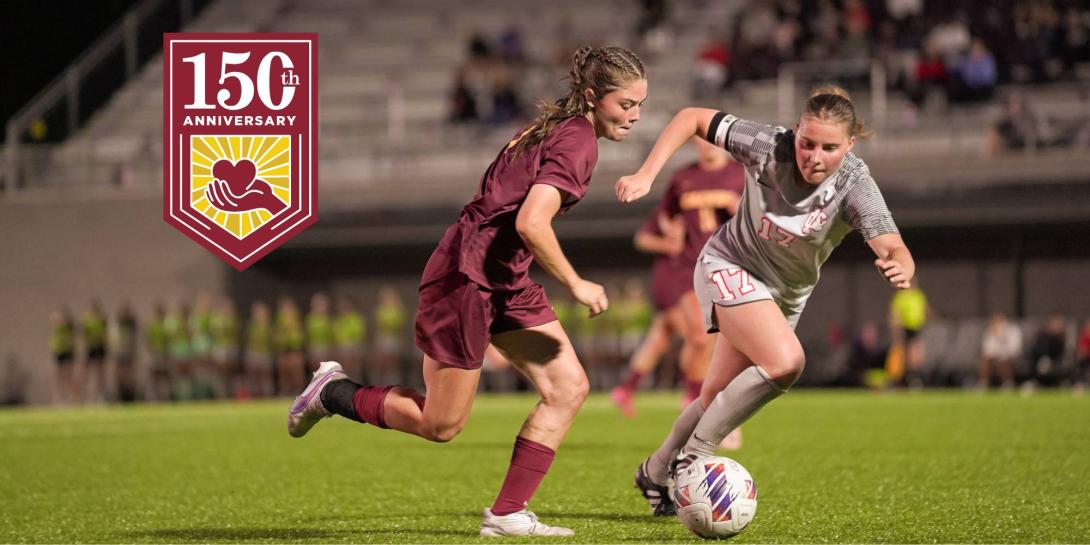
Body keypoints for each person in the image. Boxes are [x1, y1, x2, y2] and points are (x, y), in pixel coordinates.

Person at [287, 46, 647, 537]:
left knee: (568, 387)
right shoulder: (578, 140)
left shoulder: (558, 128)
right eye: (625, 104)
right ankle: (333, 392)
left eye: (639, 105)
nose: (634, 116)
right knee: (441, 425)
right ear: (591, 96)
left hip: (504, 278)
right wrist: (576, 282)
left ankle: (506, 514)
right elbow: (531, 222)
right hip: (469, 277)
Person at [615, 85, 915, 516]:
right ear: (795, 131)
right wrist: (647, 174)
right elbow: (692, 117)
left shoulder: (855, 184)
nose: (814, 156)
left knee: (712, 398)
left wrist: (901, 264)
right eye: (807, 142)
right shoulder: (767, 145)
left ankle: (655, 469)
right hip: (727, 265)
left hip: (783, 297)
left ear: (850, 145)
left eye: (830, 148)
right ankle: (695, 459)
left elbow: (892, 245)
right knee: (786, 362)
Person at [610, 137, 743, 418]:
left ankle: (629, 388)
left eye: (712, 140)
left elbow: (759, 219)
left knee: (671, 336)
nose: (707, 146)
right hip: (683, 269)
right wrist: (669, 239)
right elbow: (656, 224)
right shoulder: (683, 177)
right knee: (697, 334)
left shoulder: (741, 174)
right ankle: (694, 396)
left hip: (724, 266)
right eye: (701, 140)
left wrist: (738, 209)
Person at [889, 277, 929, 388]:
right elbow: (895, 313)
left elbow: (925, 309)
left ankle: (914, 378)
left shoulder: (919, 295)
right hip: (905, 327)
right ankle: (904, 379)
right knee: (906, 354)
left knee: (916, 355)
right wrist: (895, 327)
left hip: (917, 327)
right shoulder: (901, 296)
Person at [978, 312, 1022, 390]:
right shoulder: (989, 331)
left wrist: (1000, 337)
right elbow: (987, 349)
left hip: (1009, 356)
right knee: (986, 360)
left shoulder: (1013, 330)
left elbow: (1015, 348)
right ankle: (983, 383)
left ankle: (1008, 384)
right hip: (994, 356)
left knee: (1004, 361)